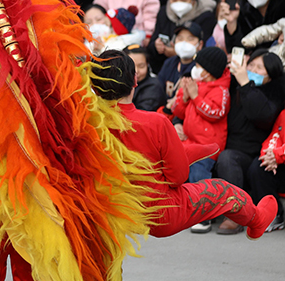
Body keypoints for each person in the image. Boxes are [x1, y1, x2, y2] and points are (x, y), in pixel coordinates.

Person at [91, 49, 278, 239]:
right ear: (135, 80)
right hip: (160, 212)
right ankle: (257, 219)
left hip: (111, 211)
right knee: (222, 190)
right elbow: (177, 176)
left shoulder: (88, 123)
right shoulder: (155, 122)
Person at [211, 49, 285, 234]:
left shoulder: (275, 91)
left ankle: (242, 213)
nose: (252, 69)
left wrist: (245, 83)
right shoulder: (235, 84)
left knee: (242, 162)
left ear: (271, 74)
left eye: (259, 67)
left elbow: (263, 116)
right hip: (232, 148)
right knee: (223, 157)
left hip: (262, 153)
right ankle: (228, 212)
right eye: (251, 64)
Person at [172, 46, 230, 182]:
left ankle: (203, 202)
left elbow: (215, 113)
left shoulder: (221, 91)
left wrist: (196, 97)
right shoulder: (195, 84)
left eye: (198, 66)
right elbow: (177, 111)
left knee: (197, 178)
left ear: (209, 71)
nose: (195, 69)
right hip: (187, 142)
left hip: (206, 149)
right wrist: (185, 98)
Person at [148, 0, 216, 72]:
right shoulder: (164, 12)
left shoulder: (206, 16)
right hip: (165, 68)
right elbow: (151, 45)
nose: (178, 3)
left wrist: (180, 53)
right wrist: (156, 46)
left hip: (194, 69)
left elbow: (207, 49)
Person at [249, 107, 285, 231]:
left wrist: (279, 155)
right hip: (280, 162)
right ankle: (274, 215)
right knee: (259, 166)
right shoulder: (283, 114)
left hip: (282, 157)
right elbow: (274, 137)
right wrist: (269, 156)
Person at [158, 21, 204, 107]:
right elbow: (158, 89)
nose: (184, 43)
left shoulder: (201, 68)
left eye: (190, 39)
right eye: (180, 38)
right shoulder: (169, 63)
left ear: (200, 44)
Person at [126, 44, 167, 111]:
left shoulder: (153, 86)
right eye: (131, 67)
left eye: (141, 66)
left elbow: (142, 114)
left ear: (147, 65)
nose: (136, 71)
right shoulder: (119, 83)